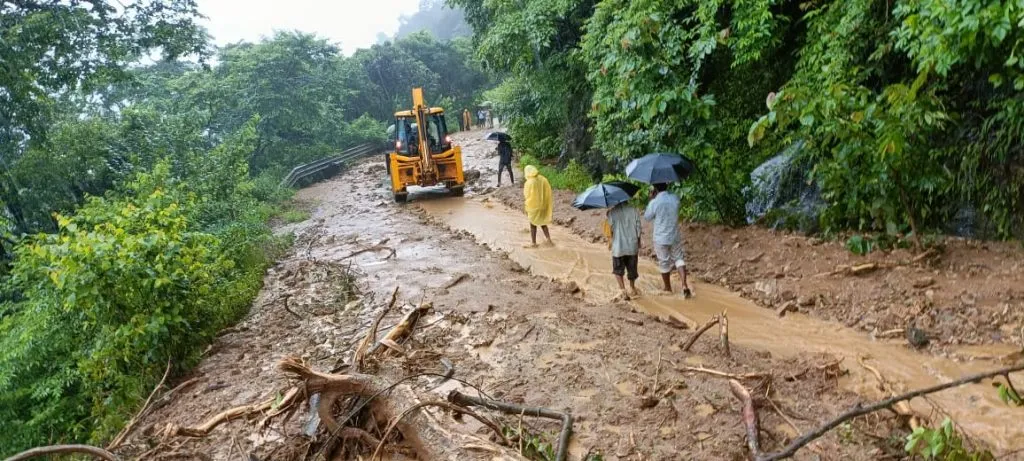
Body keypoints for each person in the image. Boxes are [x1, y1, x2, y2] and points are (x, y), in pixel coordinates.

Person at [643, 183, 691, 297]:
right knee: (679, 259)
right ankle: (684, 285)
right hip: (674, 235)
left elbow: (647, 217)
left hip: (660, 237)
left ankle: (668, 288)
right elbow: (677, 206)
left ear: (655, 189)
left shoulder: (654, 202)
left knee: (664, 262)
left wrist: (651, 200)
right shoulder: (674, 198)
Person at [604, 201, 642, 300]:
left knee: (617, 270)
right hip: (632, 246)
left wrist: (608, 216)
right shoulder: (634, 211)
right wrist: (638, 242)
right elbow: (639, 229)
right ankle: (632, 288)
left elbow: (609, 231)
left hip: (618, 247)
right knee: (632, 269)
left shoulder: (612, 213)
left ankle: (623, 290)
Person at [523, 165, 553, 247]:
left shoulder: (529, 182)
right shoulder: (543, 179)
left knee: (533, 224)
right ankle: (548, 239)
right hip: (543, 205)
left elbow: (527, 195)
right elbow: (548, 191)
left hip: (534, 207)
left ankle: (533, 243)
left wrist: (527, 205)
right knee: (543, 222)